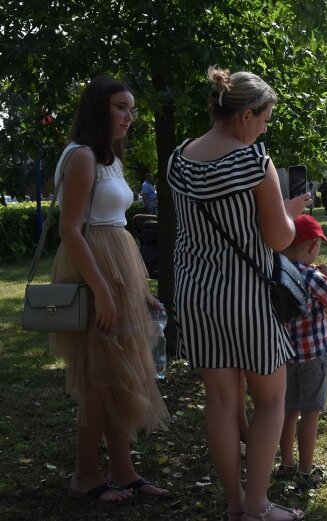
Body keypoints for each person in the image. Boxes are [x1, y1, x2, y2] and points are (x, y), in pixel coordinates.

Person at [168, 66, 307, 521]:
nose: (266, 126)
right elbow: (279, 239)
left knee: (221, 403)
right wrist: (287, 212)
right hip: (247, 296)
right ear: (246, 115)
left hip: (196, 294)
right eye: (265, 117)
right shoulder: (254, 163)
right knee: (270, 400)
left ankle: (232, 505)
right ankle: (257, 506)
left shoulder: (178, 159)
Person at [50, 76, 170, 502]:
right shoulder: (81, 156)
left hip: (119, 268)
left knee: (124, 375)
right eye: (121, 107)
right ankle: (85, 474)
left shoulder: (109, 157)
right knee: (100, 378)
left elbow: (116, 224)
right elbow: (70, 230)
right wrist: (101, 290)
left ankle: (123, 469)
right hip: (94, 271)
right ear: (98, 108)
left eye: (131, 109)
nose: (129, 117)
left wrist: (137, 289)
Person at [277, 215, 327, 489]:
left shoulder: (277, 271)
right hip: (313, 356)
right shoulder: (311, 275)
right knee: (310, 412)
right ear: (312, 247)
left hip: (284, 356)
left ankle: (286, 462)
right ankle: (306, 470)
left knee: (287, 410)